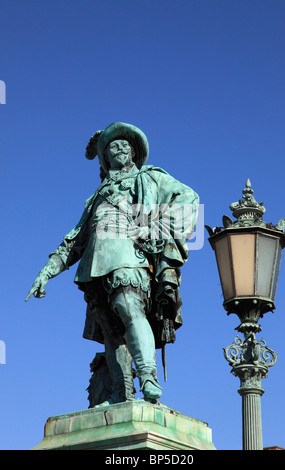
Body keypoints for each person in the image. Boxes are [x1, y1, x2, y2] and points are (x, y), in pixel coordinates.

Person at [26, 122, 199, 406]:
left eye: (123, 144)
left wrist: (154, 228)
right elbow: (75, 241)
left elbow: (189, 197)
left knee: (129, 308)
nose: (118, 148)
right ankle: (122, 391)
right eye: (111, 146)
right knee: (110, 329)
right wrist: (46, 272)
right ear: (104, 158)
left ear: (133, 153)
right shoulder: (95, 196)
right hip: (94, 263)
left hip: (128, 255)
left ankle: (147, 376)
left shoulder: (150, 178)